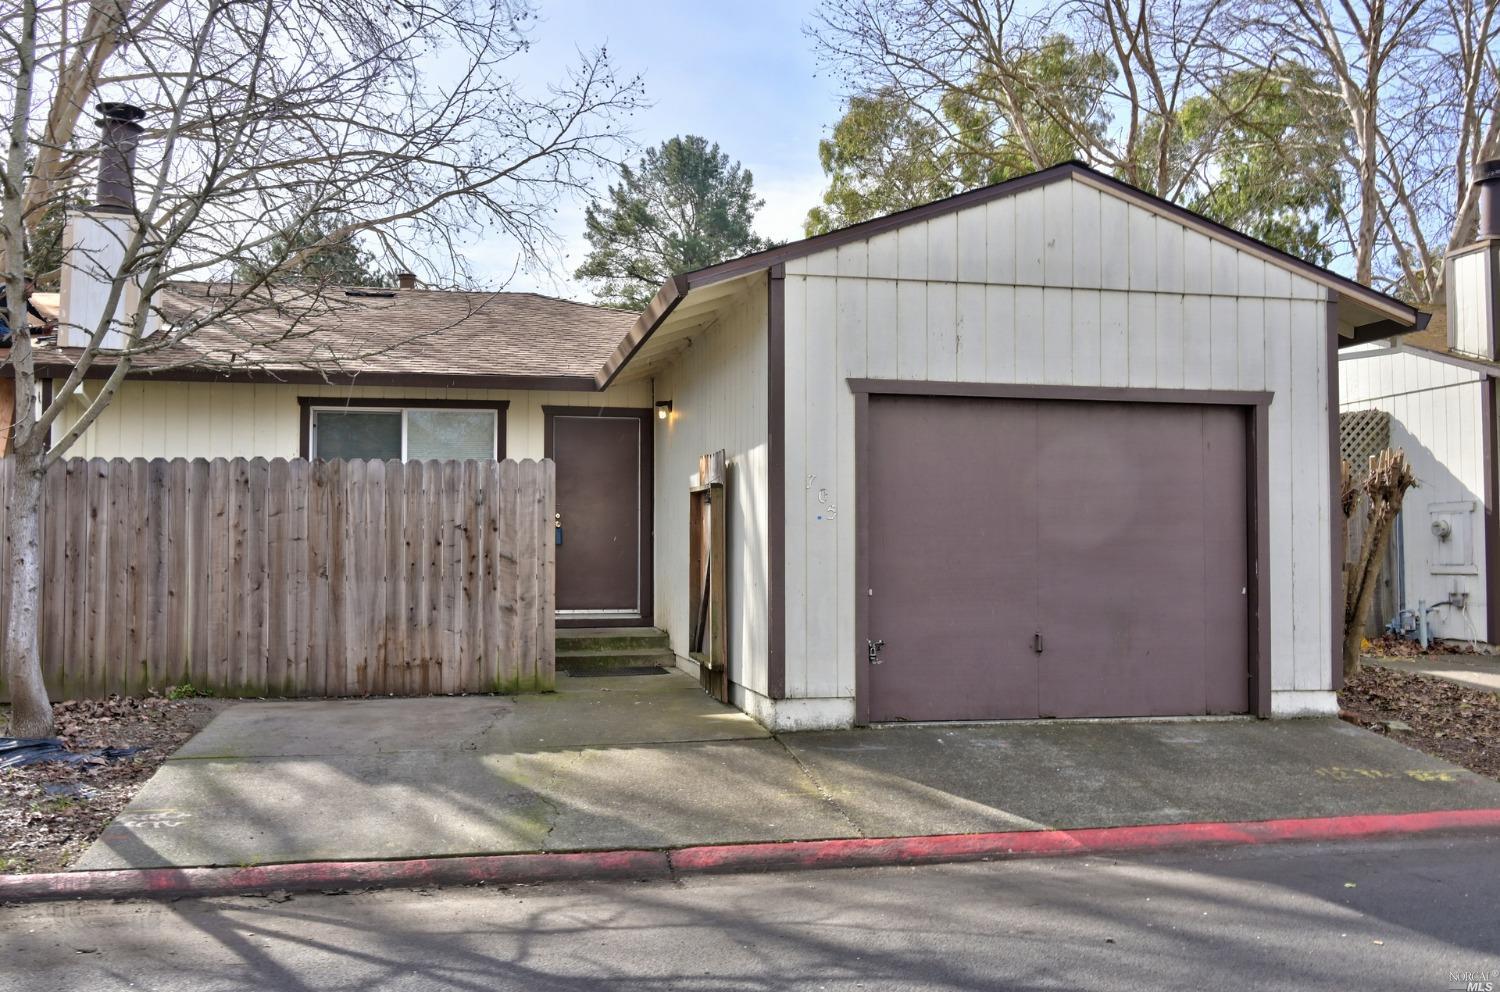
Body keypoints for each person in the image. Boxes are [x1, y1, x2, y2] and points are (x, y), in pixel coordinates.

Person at [0, 276, 56, 346]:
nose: (31, 296)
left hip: (8, 328)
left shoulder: (22, 299)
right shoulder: (5, 292)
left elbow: (31, 311)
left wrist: (42, 328)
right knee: (12, 339)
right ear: (22, 287)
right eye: (30, 292)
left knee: (18, 336)